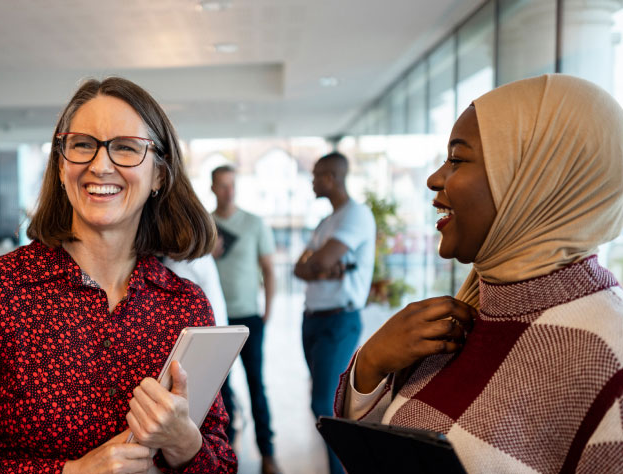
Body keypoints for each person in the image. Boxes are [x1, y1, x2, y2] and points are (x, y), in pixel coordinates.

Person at [0, 77, 237, 473]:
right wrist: (70, 472)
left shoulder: (185, 305)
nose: (99, 165)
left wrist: (185, 442)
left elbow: (222, 463)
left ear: (159, 176)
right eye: (82, 145)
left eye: (126, 148)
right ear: (62, 165)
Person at [336, 74, 623, 472]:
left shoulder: (607, 355)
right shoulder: (467, 313)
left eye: (457, 159)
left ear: (533, 180)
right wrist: (370, 365)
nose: (434, 178)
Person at [293, 152, 375, 474]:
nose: (312, 181)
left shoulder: (356, 215)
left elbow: (317, 263)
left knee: (325, 406)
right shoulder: (326, 221)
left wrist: (319, 266)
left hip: (338, 321)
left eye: (315, 175)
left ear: (331, 177)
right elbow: (301, 269)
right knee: (324, 405)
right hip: (313, 319)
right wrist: (320, 267)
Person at [210, 165, 281, 474]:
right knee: (219, 390)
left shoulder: (254, 224)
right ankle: (226, 448)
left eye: (232, 186)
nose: (228, 191)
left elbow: (268, 269)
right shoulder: (205, 225)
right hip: (214, 321)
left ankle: (267, 453)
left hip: (248, 317)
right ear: (213, 188)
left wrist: (267, 312)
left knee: (256, 385)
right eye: (223, 186)